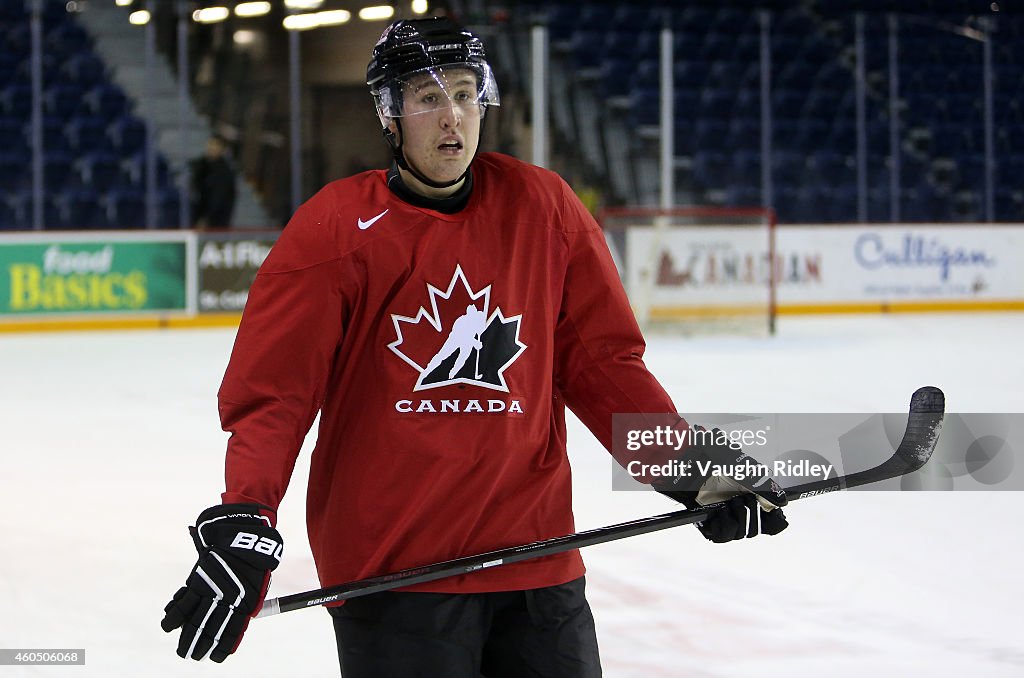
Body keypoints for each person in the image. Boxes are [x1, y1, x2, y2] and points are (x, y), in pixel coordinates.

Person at [160, 17, 789, 676]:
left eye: (464, 93)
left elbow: (602, 366)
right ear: (390, 114)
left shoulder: (544, 208)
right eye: (428, 99)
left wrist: (688, 471)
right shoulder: (333, 228)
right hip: (395, 574)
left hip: (536, 560)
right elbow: (276, 396)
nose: (452, 117)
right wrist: (247, 511)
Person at [190, 135, 237, 228]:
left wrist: (206, 218)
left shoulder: (225, 172)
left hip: (215, 223)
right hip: (197, 217)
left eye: (216, 145)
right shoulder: (201, 165)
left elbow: (218, 198)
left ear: (223, 149)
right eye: (210, 144)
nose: (211, 148)